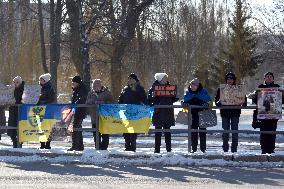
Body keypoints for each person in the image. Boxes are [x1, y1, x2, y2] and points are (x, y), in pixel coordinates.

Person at [249, 72, 284, 154]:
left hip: (274, 114)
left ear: (273, 78)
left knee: (272, 132)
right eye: (267, 77)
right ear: (264, 78)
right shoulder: (260, 87)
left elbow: (282, 100)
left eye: (270, 76)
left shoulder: (277, 88)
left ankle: (271, 150)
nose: (269, 78)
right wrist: (254, 97)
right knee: (263, 133)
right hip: (263, 114)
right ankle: (264, 150)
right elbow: (256, 101)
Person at [215, 72, 247, 153]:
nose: (230, 80)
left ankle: (234, 149)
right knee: (225, 131)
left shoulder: (238, 89)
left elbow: (244, 100)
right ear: (226, 80)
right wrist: (218, 102)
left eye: (231, 78)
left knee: (234, 131)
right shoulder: (221, 89)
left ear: (234, 80)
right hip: (225, 113)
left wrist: (244, 103)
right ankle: (225, 148)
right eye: (228, 78)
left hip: (235, 113)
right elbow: (216, 100)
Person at [148, 73, 178, 153]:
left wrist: (174, 97)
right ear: (160, 79)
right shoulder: (153, 88)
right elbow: (149, 100)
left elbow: (173, 99)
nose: (166, 80)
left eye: (166, 78)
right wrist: (153, 98)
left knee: (167, 131)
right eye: (164, 78)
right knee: (158, 132)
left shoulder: (170, 87)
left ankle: (169, 149)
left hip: (168, 112)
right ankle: (157, 149)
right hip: (158, 113)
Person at [118, 73, 147, 152]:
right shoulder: (125, 88)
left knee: (133, 130)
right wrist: (119, 106)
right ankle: (127, 146)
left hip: (135, 113)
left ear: (135, 80)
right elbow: (121, 99)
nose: (129, 80)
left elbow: (144, 99)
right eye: (129, 79)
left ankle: (133, 147)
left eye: (131, 79)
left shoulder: (139, 88)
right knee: (125, 130)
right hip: (125, 112)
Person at [183, 78, 212, 153]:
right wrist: (184, 104)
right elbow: (184, 102)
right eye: (191, 85)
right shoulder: (188, 92)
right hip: (192, 115)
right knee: (193, 132)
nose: (192, 87)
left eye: (194, 85)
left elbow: (210, 102)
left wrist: (207, 104)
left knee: (202, 132)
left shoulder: (203, 92)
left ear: (197, 86)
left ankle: (203, 149)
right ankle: (194, 148)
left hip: (203, 114)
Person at [86, 79, 114, 150]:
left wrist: (104, 103)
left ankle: (104, 147)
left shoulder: (107, 92)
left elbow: (112, 102)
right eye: (93, 87)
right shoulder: (91, 93)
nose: (94, 88)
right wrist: (92, 101)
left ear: (100, 86)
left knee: (105, 133)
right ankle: (97, 147)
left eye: (95, 86)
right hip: (94, 116)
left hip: (104, 117)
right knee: (96, 133)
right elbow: (87, 102)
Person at [68, 76, 88, 151]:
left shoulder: (82, 89)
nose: (72, 84)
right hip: (76, 111)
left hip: (80, 111)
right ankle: (80, 146)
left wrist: (76, 101)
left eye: (74, 82)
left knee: (76, 128)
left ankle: (75, 146)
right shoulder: (76, 89)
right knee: (77, 128)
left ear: (77, 83)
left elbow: (82, 99)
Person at [37, 73, 56, 149]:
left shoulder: (50, 88)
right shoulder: (39, 88)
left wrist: (43, 102)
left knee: (48, 127)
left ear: (45, 81)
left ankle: (48, 144)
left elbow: (52, 99)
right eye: (40, 80)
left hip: (48, 110)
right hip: (40, 110)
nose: (40, 81)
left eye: (42, 80)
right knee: (40, 127)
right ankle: (42, 144)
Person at [8, 76, 25, 148]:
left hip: (20, 111)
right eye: (14, 82)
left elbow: (24, 99)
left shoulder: (24, 90)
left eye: (17, 82)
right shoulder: (11, 89)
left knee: (20, 128)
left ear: (20, 83)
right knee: (11, 129)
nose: (15, 84)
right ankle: (14, 144)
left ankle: (19, 145)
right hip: (12, 111)